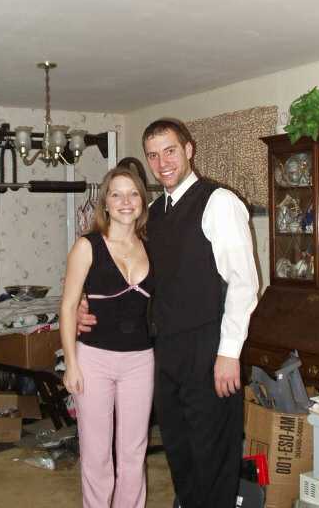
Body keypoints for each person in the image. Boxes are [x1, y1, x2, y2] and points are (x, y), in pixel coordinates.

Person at [78, 118, 259, 508]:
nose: (162, 163)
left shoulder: (219, 202)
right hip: (163, 350)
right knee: (179, 450)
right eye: (153, 155)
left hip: (208, 347)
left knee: (212, 451)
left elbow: (244, 283)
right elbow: (129, 276)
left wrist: (229, 353)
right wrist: (84, 303)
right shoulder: (153, 213)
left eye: (170, 151)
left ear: (189, 150)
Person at [60, 167, 155, 508]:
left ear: (142, 201)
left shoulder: (153, 246)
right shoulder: (87, 246)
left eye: (133, 193)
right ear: (106, 202)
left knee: (133, 452)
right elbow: (68, 307)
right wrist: (71, 364)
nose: (125, 201)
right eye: (117, 194)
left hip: (140, 361)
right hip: (93, 361)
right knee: (96, 454)